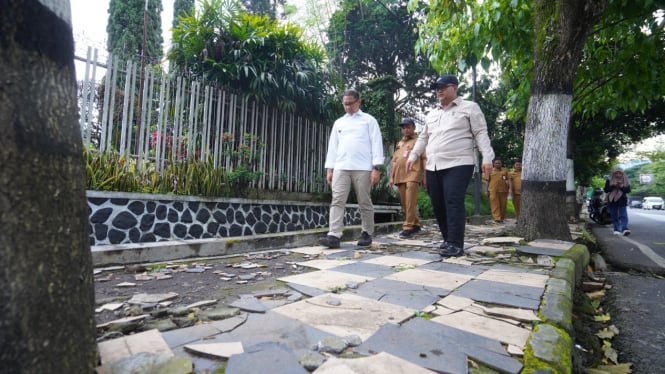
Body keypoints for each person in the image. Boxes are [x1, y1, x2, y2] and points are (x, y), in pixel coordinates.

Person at [406, 75, 494, 257]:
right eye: (436, 87)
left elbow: (480, 133)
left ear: (455, 87)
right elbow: (423, 137)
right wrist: (413, 155)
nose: (439, 90)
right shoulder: (432, 114)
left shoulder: (469, 108)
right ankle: (447, 239)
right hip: (434, 165)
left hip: (459, 163)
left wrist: (487, 157)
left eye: (443, 87)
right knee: (438, 203)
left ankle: (456, 243)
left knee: (453, 200)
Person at [319, 89, 384, 249]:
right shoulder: (339, 122)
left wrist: (376, 167)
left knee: (364, 200)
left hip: (363, 167)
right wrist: (329, 169)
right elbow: (333, 147)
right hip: (341, 167)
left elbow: (376, 143)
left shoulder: (369, 120)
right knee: (337, 200)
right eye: (345, 104)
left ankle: (367, 233)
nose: (347, 107)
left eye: (350, 103)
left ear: (358, 101)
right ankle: (334, 235)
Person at [389, 117, 426, 238]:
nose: (406, 130)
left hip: (413, 173)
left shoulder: (419, 141)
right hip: (400, 175)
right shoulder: (399, 143)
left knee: (410, 200)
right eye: (403, 127)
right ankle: (415, 223)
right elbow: (395, 161)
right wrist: (391, 177)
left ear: (414, 128)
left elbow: (424, 158)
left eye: (408, 127)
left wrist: (425, 175)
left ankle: (408, 226)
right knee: (405, 203)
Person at [603, 167, 631, 236]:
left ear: (622, 173)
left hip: (622, 200)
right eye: (616, 173)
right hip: (612, 200)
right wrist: (613, 185)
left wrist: (621, 186)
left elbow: (628, 190)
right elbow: (606, 190)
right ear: (614, 174)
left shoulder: (626, 180)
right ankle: (616, 229)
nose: (618, 175)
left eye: (620, 173)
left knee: (623, 215)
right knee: (614, 215)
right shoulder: (609, 180)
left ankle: (624, 229)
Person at [486, 158, 509, 223]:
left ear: (501, 163)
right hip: (493, 191)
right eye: (496, 163)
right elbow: (487, 181)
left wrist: (510, 188)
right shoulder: (490, 171)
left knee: (503, 205)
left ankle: (502, 218)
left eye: (499, 163)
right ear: (493, 164)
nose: (498, 164)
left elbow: (508, 180)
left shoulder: (505, 171)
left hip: (503, 191)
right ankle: (497, 218)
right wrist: (486, 190)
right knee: (494, 205)